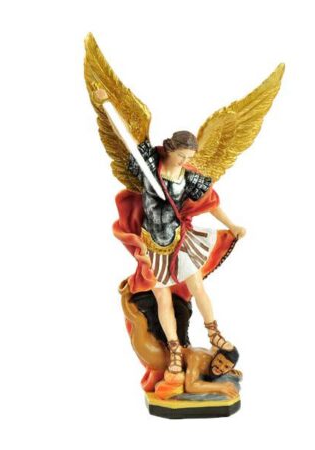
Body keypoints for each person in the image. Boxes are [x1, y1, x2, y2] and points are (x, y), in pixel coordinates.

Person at [95, 88, 246, 375]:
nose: (183, 160)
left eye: (188, 156)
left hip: (179, 240)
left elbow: (210, 203)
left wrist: (231, 225)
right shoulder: (149, 165)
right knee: (163, 298)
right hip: (152, 245)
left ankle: (213, 333)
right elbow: (125, 136)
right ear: (170, 148)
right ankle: (174, 349)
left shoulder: (189, 177)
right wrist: (106, 103)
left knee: (197, 286)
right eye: (180, 155)